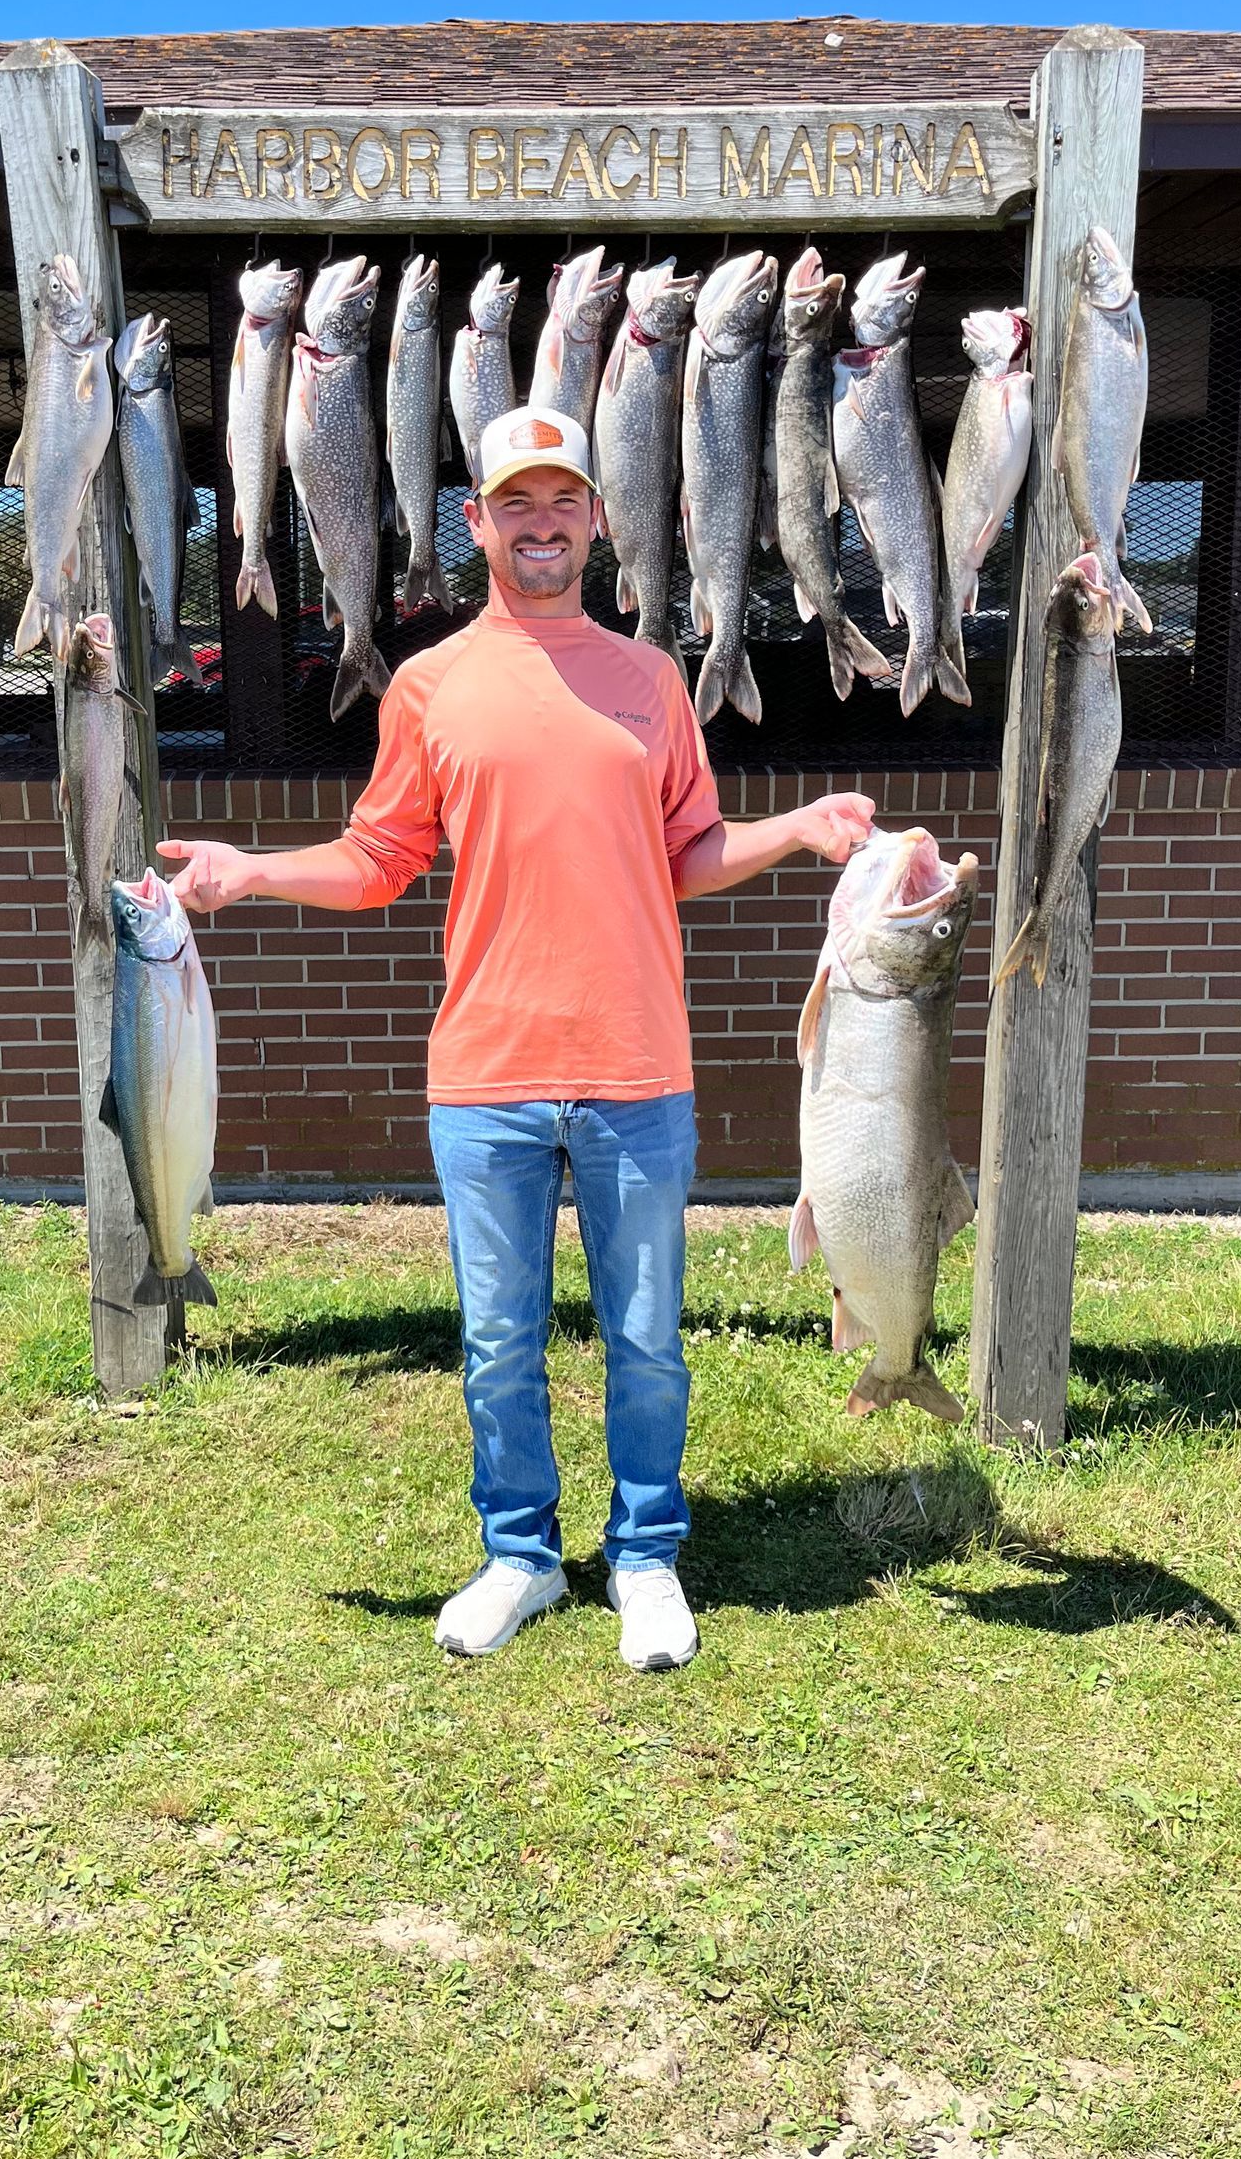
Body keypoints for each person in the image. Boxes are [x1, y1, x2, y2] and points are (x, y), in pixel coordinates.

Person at [159, 406, 871, 1672]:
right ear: (475, 522)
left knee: (648, 1338)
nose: (541, 526)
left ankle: (645, 1554)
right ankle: (522, 1555)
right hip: (484, 1075)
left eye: (563, 503)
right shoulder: (429, 686)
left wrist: (800, 827)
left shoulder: (652, 680)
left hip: (637, 1066)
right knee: (499, 1344)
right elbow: (382, 860)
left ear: (597, 520)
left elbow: (688, 851)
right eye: (514, 505)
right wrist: (250, 872)